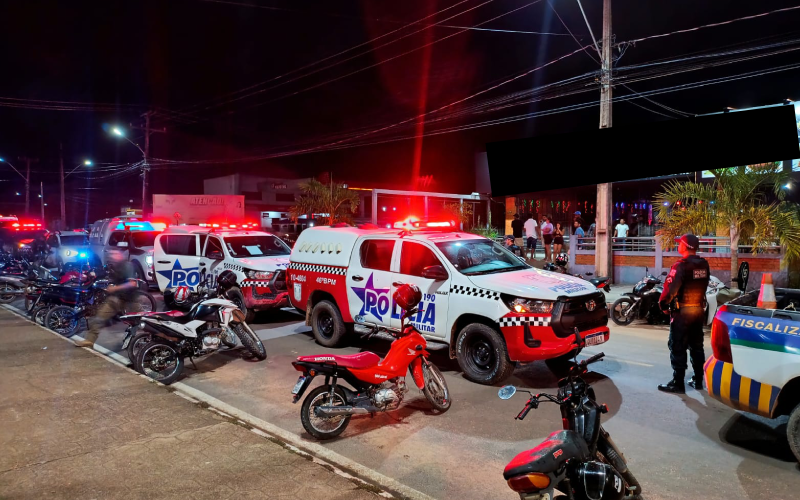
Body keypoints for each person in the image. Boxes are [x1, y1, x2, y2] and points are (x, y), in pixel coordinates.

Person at [657, 234, 711, 394]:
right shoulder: (704, 264)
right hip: (698, 311)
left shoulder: (680, 266)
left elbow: (670, 290)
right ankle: (698, 379)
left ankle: (678, 383)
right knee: (696, 346)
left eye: (679, 243)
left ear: (686, 246)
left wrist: (664, 305)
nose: (677, 246)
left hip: (683, 313)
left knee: (677, 346)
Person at [74, 248, 140, 348]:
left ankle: (156, 341)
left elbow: (133, 283)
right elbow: (105, 274)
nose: (111, 256)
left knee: (142, 321)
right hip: (115, 299)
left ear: (120, 255)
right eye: (110, 254)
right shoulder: (114, 266)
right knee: (98, 319)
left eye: (114, 254)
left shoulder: (127, 266)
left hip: (130, 299)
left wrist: (115, 288)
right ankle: (89, 341)